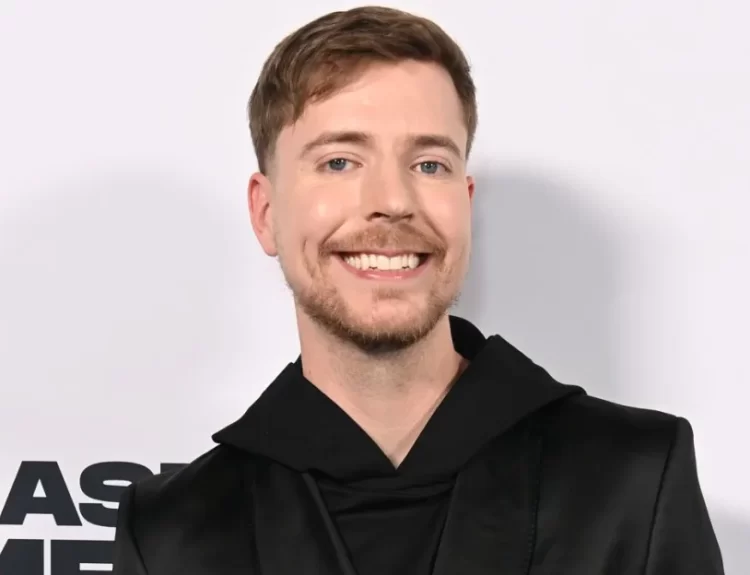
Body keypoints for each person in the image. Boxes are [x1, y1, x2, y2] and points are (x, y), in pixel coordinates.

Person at [112, 6, 724, 574]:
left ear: (465, 201)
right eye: (339, 162)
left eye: (429, 164)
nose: (393, 201)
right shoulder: (170, 532)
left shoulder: (634, 478)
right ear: (265, 213)